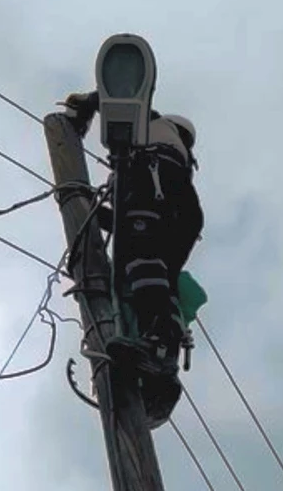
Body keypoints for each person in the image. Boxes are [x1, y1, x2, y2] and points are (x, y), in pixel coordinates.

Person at [60, 91, 204, 363]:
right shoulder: (180, 162)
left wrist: (83, 108)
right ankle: (162, 351)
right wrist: (93, 210)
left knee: (142, 260)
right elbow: (129, 225)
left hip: (154, 197)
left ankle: (158, 338)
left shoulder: (155, 127)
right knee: (160, 276)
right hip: (184, 218)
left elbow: (115, 99)